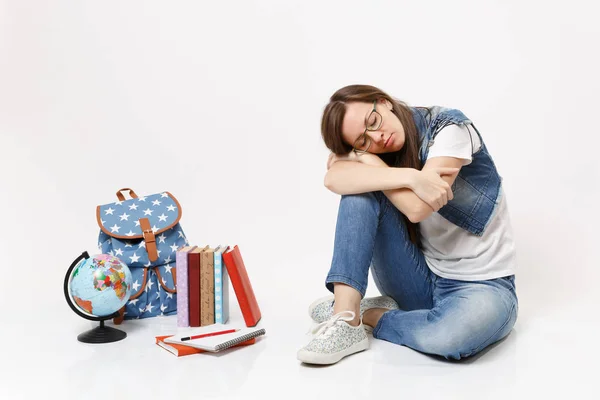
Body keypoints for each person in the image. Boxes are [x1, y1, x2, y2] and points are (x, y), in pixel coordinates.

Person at [297, 84, 518, 365]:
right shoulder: (381, 153)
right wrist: (411, 177)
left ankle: (368, 314)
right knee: (359, 195)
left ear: (384, 102)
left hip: (484, 287)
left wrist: (367, 161)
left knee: (449, 338)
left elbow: (417, 209)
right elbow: (333, 179)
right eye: (362, 142)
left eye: (373, 122)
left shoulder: (449, 128)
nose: (377, 138)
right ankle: (346, 318)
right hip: (418, 279)